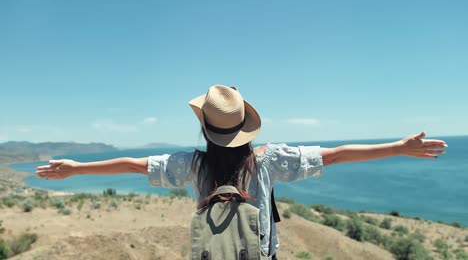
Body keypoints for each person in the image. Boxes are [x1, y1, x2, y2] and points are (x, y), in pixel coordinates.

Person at [36, 84, 447, 259]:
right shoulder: (268, 159)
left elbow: (132, 164)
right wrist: (399, 147)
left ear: (204, 127)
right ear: (245, 127)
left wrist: (75, 169)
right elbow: (336, 155)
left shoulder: (190, 164)